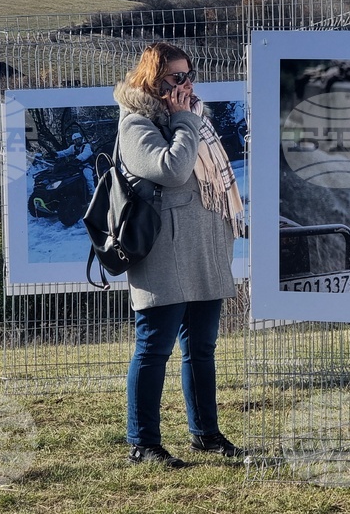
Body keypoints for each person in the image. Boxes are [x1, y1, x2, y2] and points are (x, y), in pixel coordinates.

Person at [114, 42, 247, 468]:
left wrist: (187, 119)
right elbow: (171, 170)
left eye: (189, 75)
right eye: (176, 77)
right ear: (153, 80)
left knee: (202, 348)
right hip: (164, 252)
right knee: (154, 348)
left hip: (205, 249)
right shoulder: (137, 122)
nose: (186, 84)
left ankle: (205, 434)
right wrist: (186, 120)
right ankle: (143, 444)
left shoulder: (191, 119)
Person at [54, 131, 95, 196]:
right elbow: (65, 152)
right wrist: (56, 154)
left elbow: (86, 153)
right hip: (77, 166)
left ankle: (92, 193)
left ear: (81, 139)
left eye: (78, 139)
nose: (77, 141)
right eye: (75, 140)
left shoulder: (86, 146)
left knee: (88, 176)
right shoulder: (73, 147)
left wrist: (78, 159)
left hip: (87, 166)